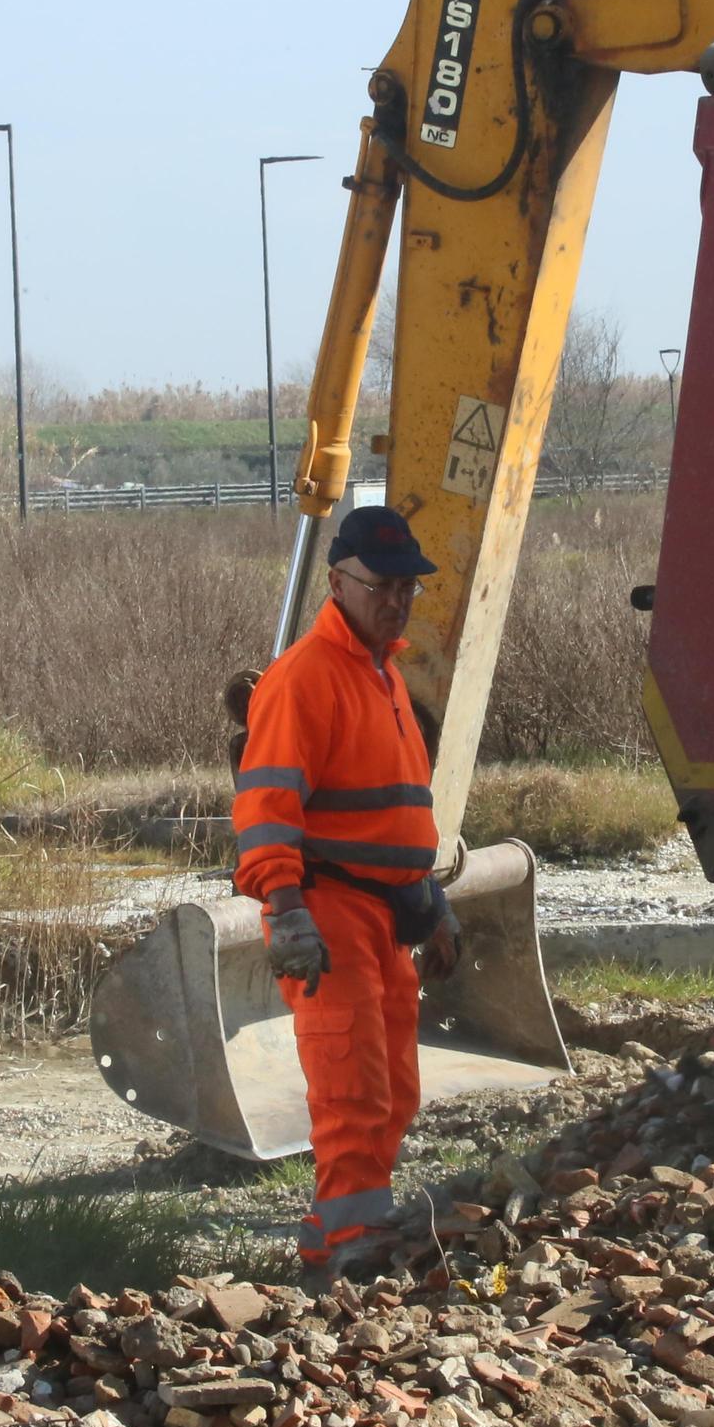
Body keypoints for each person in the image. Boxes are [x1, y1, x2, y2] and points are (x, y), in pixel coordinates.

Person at [231, 505, 462, 1277]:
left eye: (406, 586)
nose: (395, 600)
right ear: (336, 581)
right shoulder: (304, 678)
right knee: (352, 1090)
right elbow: (265, 805)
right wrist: (286, 909)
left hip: (384, 912)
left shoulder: (380, 672)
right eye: (381, 584)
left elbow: (398, 804)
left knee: (392, 1091)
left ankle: (332, 1239)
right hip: (327, 909)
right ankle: (352, 1251)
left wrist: (428, 899)